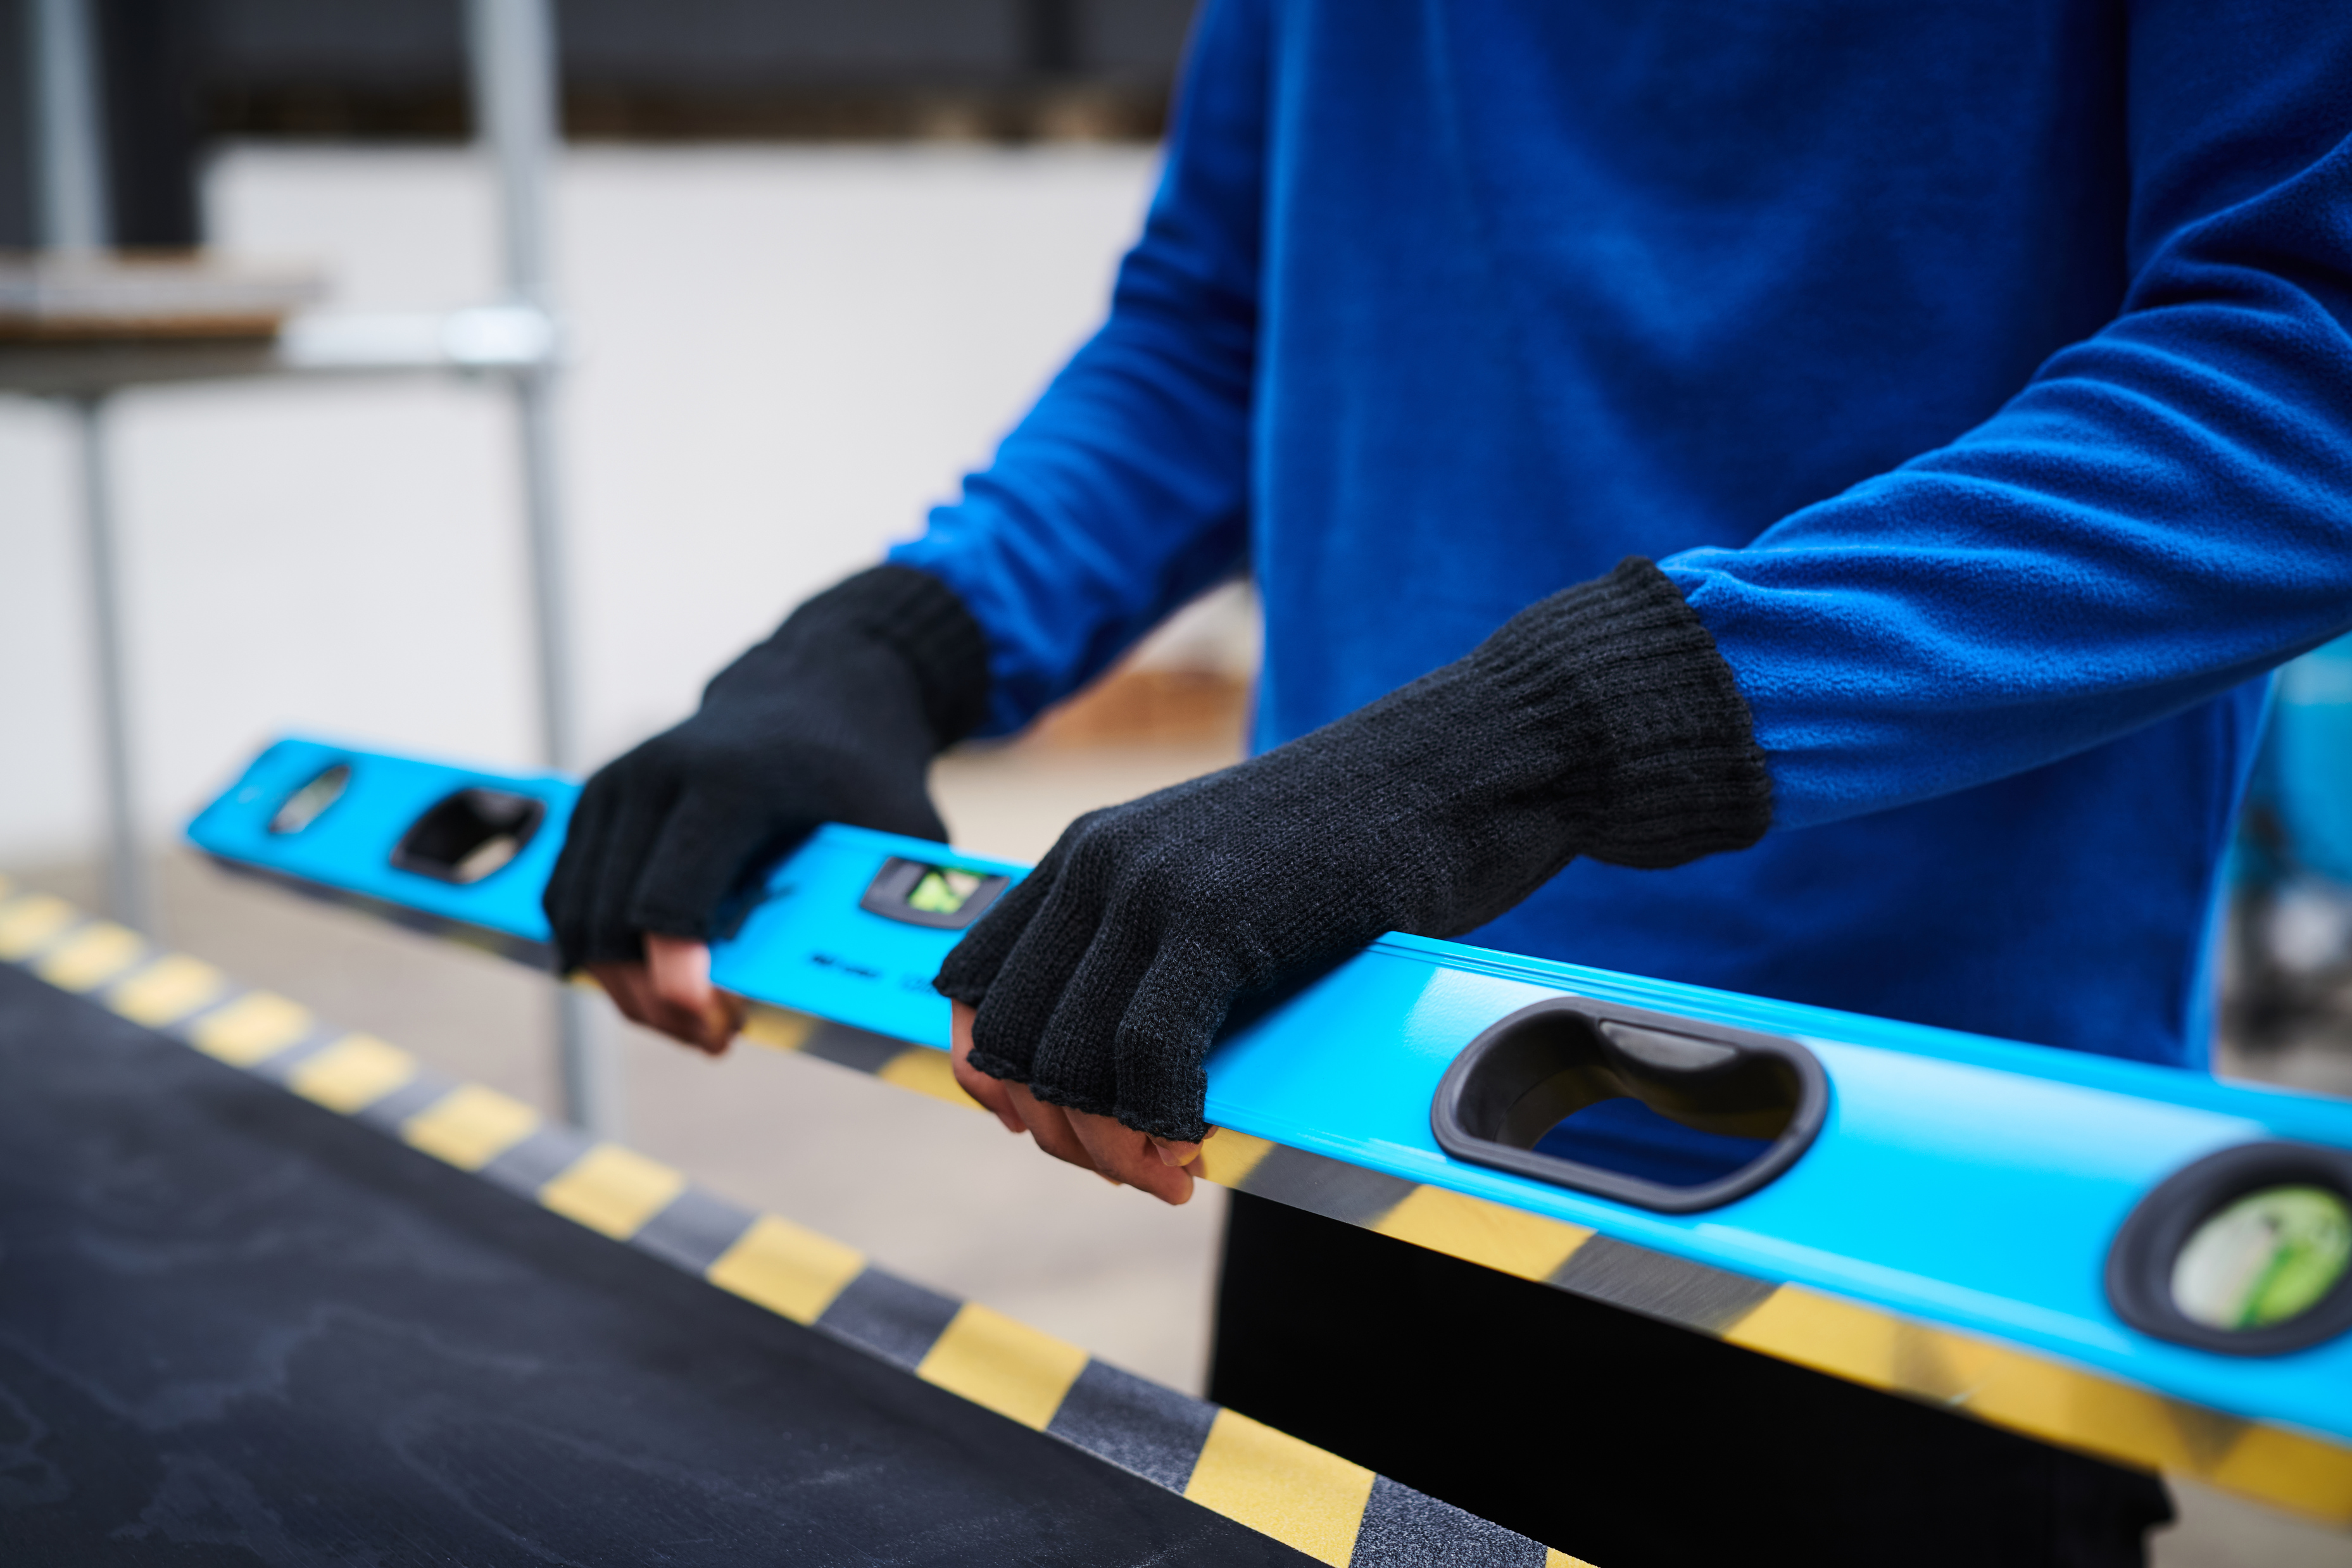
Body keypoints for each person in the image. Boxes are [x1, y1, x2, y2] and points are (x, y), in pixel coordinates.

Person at [543, 3, 2352, 1562]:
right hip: (1343, 1082)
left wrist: (1515, 754)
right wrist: (895, 647)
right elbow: (1219, 325)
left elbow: (2305, 357)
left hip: (1906, 1183)